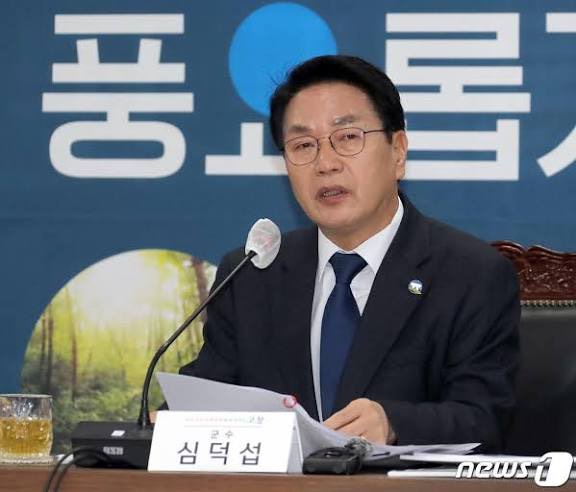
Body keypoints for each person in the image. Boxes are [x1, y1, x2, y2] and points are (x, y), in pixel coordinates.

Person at [179, 55, 520, 451]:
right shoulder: (251, 274)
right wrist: (172, 423)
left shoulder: (470, 274)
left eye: (348, 137)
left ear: (398, 151)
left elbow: (485, 418)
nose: (325, 164)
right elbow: (208, 398)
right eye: (303, 145)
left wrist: (394, 424)